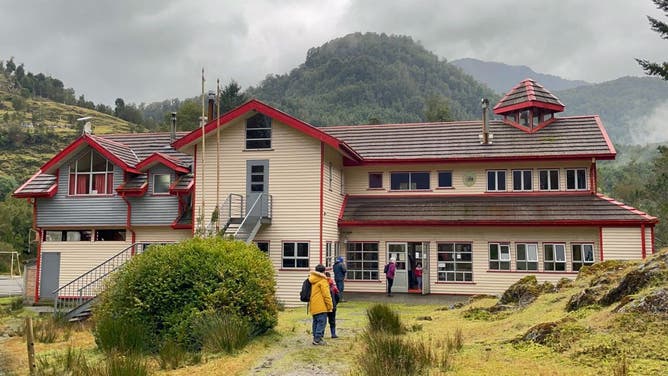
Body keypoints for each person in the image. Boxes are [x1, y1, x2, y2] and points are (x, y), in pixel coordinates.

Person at [309, 264, 333, 345]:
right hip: (321, 305)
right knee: (322, 322)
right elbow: (326, 295)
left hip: (313, 304)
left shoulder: (311, 279)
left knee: (315, 322)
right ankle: (317, 339)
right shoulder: (323, 281)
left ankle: (315, 338)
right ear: (324, 271)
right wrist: (330, 305)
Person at [325, 271, 340, 338]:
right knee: (332, 320)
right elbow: (337, 296)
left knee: (323, 321)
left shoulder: (321, 284)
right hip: (332, 306)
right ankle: (333, 333)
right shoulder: (333, 286)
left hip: (323, 306)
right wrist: (335, 303)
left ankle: (321, 334)